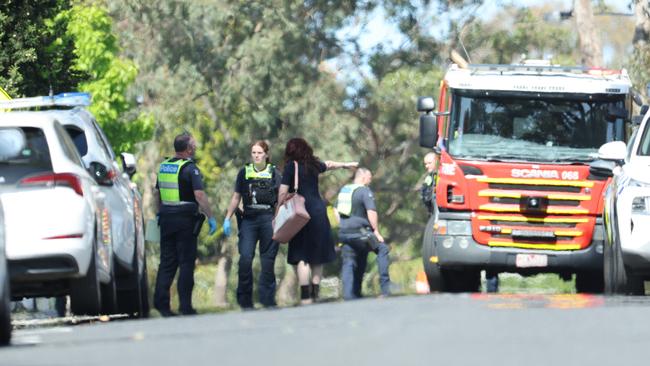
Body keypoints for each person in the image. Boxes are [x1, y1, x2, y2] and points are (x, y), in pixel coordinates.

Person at [277, 138, 357, 305]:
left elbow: (282, 193)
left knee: (302, 256)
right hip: (319, 212)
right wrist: (345, 164)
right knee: (317, 257)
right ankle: (315, 293)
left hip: (301, 214)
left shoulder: (292, 166)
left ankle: (305, 296)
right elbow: (328, 164)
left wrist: (279, 210)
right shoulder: (313, 165)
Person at [153, 133, 217, 317]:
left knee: (166, 262)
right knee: (186, 263)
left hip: (166, 219)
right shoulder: (191, 169)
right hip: (185, 221)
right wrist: (210, 216)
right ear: (188, 148)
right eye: (194, 144)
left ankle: (162, 305)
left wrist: (160, 212)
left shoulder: (164, 167)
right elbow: (199, 195)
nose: (196, 146)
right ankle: (185, 306)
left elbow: (157, 193)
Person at [223, 140, 282, 309]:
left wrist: (276, 219)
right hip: (249, 219)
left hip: (268, 219)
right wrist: (227, 217)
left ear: (266, 154)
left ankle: (268, 300)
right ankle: (245, 301)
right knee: (245, 259)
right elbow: (236, 197)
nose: (256, 155)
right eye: (254, 153)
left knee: (268, 261)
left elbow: (281, 198)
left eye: (259, 153)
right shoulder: (244, 172)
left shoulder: (274, 173)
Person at [334, 168, 391, 300]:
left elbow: (336, 210)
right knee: (382, 249)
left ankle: (350, 295)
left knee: (350, 260)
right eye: (369, 177)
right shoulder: (364, 191)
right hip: (361, 233)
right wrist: (376, 231)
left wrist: (343, 225)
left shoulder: (345, 190)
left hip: (345, 233)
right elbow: (371, 211)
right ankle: (385, 290)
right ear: (363, 177)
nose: (370, 180)